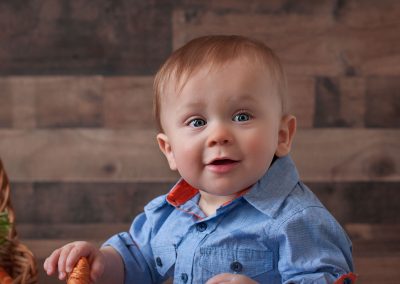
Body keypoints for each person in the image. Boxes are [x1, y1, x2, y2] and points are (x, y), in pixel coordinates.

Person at [44, 35, 356, 283]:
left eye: (242, 115)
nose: (218, 135)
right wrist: (101, 263)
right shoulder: (168, 215)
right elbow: (136, 264)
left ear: (282, 136)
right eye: (197, 122)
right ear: (169, 150)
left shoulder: (298, 221)